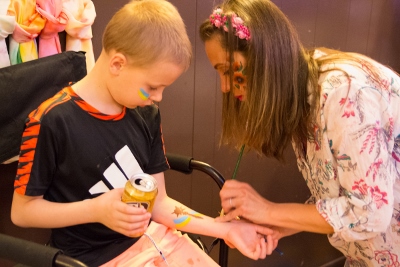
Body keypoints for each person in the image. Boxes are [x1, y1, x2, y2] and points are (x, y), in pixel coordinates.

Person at [10, 1, 276, 266]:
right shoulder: (51, 121)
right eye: (151, 87)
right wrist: (96, 210)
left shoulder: (146, 115)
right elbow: (22, 213)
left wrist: (225, 229)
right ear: (117, 64)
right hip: (89, 259)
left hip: (153, 241)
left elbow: (159, 204)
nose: (157, 98)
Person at [199, 0, 400, 266]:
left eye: (227, 70)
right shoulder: (301, 92)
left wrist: (268, 210)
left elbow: (369, 212)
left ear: (264, 56)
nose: (225, 86)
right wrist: (272, 225)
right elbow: (334, 197)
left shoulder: (344, 94)